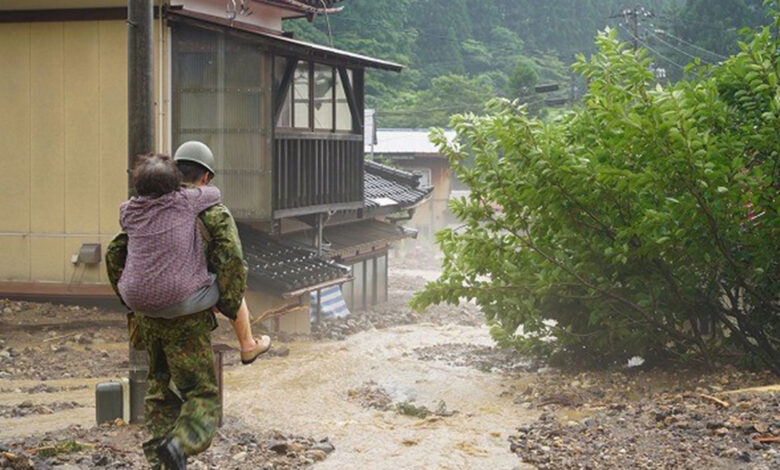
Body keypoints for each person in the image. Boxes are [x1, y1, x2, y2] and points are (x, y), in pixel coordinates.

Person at [105, 143, 267, 470]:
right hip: (187, 313)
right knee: (201, 394)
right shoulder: (207, 209)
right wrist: (229, 304)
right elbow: (233, 262)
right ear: (205, 175)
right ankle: (180, 444)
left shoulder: (136, 210)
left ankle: (161, 460)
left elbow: (115, 254)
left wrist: (130, 300)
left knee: (159, 390)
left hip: (146, 314)